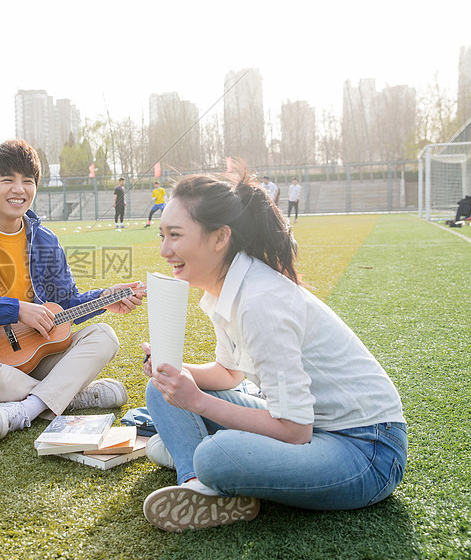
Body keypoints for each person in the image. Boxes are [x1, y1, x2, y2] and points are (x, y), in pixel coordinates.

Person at [140, 168, 406, 532]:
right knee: (160, 389)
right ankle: (194, 485)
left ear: (220, 238)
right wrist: (173, 370)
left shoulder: (260, 301)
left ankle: (206, 469)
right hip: (312, 428)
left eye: (175, 235)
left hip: (366, 449)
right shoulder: (225, 287)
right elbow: (228, 373)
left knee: (216, 455)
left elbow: (295, 430)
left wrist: (197, 402)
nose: (164, 250)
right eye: (162, 235)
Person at [0, 140, 146, 443]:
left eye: (28, 181)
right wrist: (16, 310)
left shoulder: (45, 240)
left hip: (33, 356)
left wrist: (106, 298)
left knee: (104, 336)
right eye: (8, 180)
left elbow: (65, 302)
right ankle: (71, 396)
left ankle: (27, 406)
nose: (19, 189)